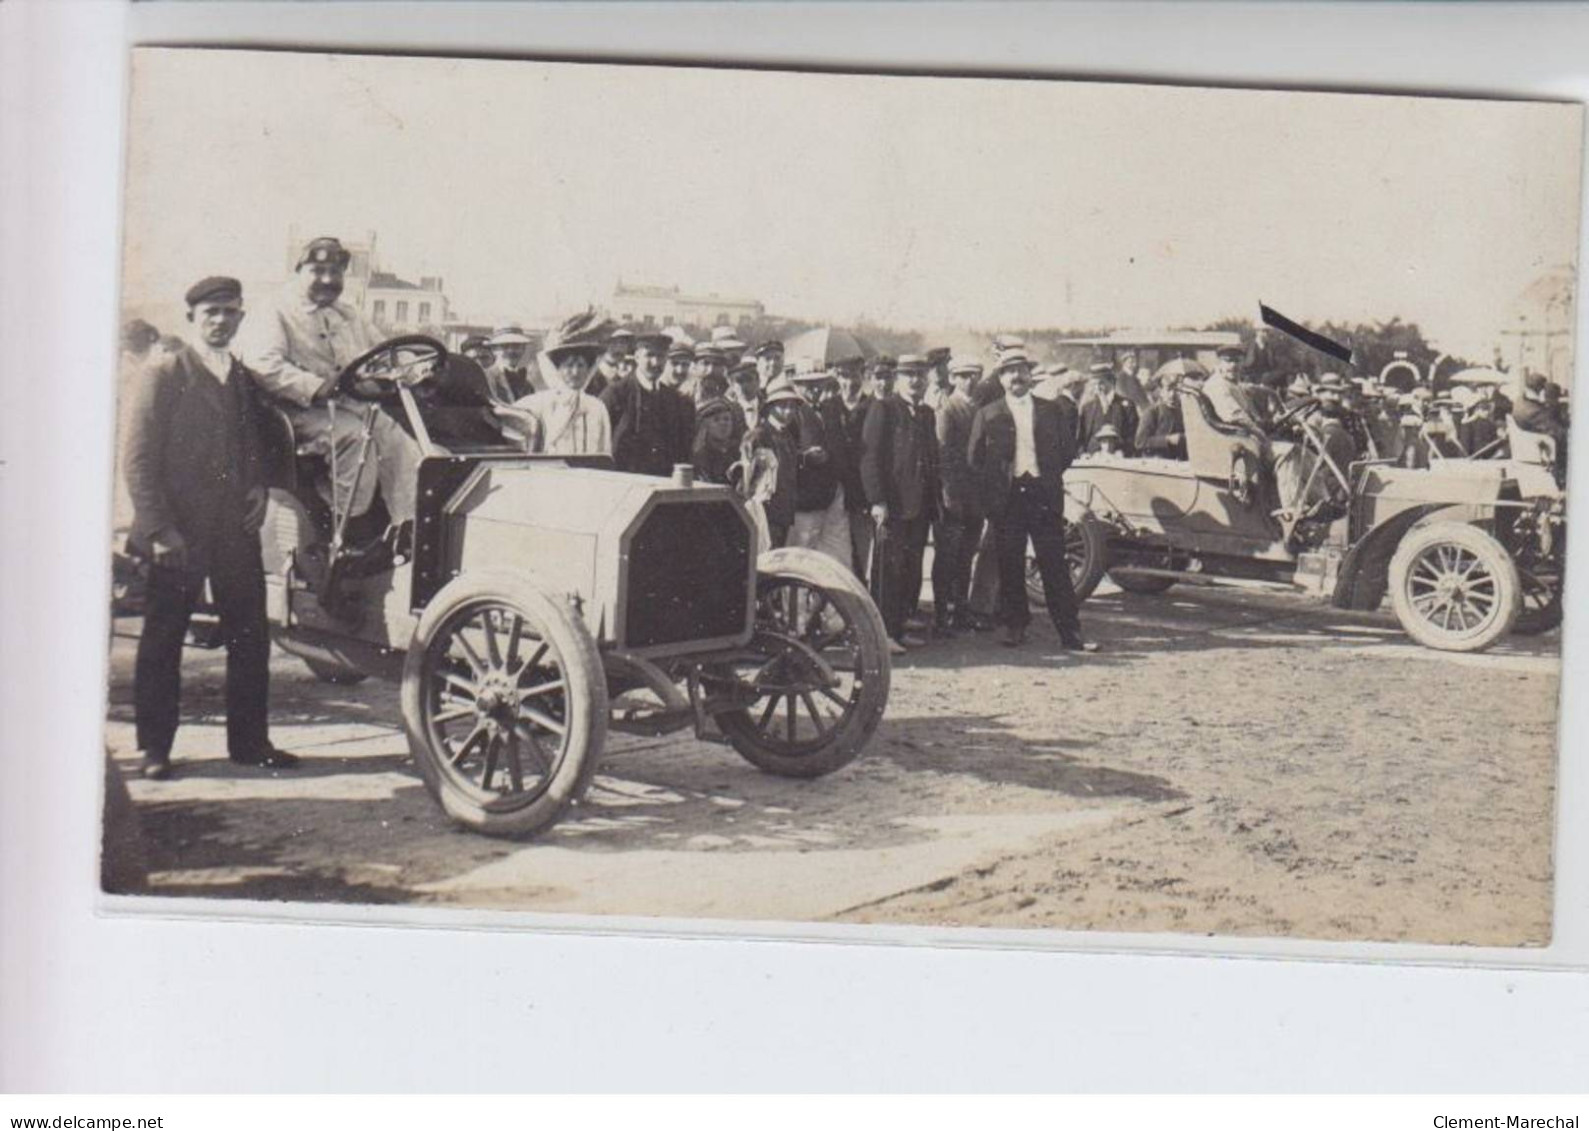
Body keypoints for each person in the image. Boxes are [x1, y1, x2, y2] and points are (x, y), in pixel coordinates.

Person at [123, 276, 299, 779]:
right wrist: (158, 530)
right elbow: (137, 461)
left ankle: (249, 743)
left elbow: (251, 442)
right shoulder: (165, 372)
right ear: (192, 319)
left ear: (241, 318)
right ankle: (154, 749)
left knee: (249, 637)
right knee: (163, 638)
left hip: (233, 532)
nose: (221, 321)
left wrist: (259, 488)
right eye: (211, 313)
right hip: (175, 534)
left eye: (229, 312)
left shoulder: (239, 375)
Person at [239, 235, 422, 554]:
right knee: (354, 438)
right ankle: (346, 530)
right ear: (299, 270)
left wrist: (414, 368)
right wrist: (316, 386)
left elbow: (382, 351)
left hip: (347, 404)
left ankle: (408, 527)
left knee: (399, 441)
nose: (328, 279)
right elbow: (263, 364)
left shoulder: (348, 313)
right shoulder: (275, 310)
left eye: (335, 271)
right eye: (317, 270)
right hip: (292, 413)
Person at [967, 349, 1096, 652]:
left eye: (1021, 369)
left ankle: (1070, 631)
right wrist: (996, 489)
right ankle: (1016, 625)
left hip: (1043, 496)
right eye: (1009, 371)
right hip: (1008, 499)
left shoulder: (1051, 410)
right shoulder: (989, 413)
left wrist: (1045, 477)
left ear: (1030, 374)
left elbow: (1066, 452)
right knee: (1011, 564)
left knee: (1054, 564)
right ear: (1000, 378)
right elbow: (975, 460)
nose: (1016, 377)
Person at [860, 354, 939, 651]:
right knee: (887, 570)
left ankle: (901, 624)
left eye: (920, 374)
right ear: (899, 379)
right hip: (891, 505)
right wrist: (877, 500)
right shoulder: (884, 408)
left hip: (919, 505)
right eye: (909, 375)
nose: (915, 381)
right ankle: (885, 634)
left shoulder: (927, 413)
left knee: (911, 567)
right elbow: (869, 458)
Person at [931, 357, 984, 632]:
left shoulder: (979, 408)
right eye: (963, 376)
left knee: (966, 556)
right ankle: (941, 615)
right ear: (952, 378)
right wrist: (950, 496)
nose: (968, 381)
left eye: (973, 375)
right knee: (947, 556)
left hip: (975, 496)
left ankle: (961, 611)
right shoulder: (948, 410)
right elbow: (944, 456)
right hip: (952, 496)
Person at [601, 331, 693, 476]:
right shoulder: (616, 394)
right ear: (637, 357)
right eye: (649, 355)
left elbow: (682, 451)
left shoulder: (674, 400)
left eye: (661, 356)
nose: (655, 362)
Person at [786, 370, 853, 569]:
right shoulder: (791, 412)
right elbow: (782, 452)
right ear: (797, 385)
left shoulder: (830, 410)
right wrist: (805, 457)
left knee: (837, 553)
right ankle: (796, 600)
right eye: (807, 384)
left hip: (832, 493)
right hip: (805, 497)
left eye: (818, 383)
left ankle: (830, 600)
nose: (814, 389)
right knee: (802, 554)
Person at [512, 328, 612, 455]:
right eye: (569, 366)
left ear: (589, 369)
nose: (575, 372)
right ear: (557, 369)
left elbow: (604, 452)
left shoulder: (597, 407)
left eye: (581, 365)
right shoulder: (538, 404)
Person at [829, 357, 876, 583]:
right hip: (834, 493)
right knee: (834, 551)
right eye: (845, 377)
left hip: (861, 494)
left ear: (863, 377)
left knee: (860, 551)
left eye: (855, 376)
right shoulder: (830, 407)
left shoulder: (872, 406)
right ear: (838, 378)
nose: (850, 382)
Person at [745, 376, 804, 548]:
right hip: (765, 513)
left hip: (784, 511)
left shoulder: (788, 435)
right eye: (783, 405)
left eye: (792, 406)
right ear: (770, 407)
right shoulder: (759, 436)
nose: (788, 411)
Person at [1078, 365, 1140, 456]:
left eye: (1100, 383)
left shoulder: (1127, 406)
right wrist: (1082, 453)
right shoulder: (1088, 407)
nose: (1097, 387)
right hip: (1091, 459)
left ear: (1110, 381)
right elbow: (1081, 437)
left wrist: (1124, 452)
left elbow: (1133, 435)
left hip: (1118, 459)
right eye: (1094, 384)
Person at [1202, 344, 1263, 432]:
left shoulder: (1232, 382)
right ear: (1219, 363)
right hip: (1231, 437)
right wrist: (1258, 430)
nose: (1233, 365)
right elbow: (1235, 416)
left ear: (1242, 363)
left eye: (1237, 360)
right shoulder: (1217, 385)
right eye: (1228, 361)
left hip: (1237, 433)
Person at [1134, 372, 1187, 459]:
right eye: (1168, 390)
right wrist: (1167, 440)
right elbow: (1140, 442)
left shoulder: (1182, 413)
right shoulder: (1152, 413)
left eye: (1177, 390)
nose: (1172, 394)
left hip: (1178, 462)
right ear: (1161, 392)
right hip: (1156, 462)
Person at [484, 325, 538, 403]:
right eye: (505, 346)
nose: (511, 351)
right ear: (494, 350)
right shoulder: (487, 378)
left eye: (516, 346)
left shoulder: (527, 385)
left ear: (523, 349)